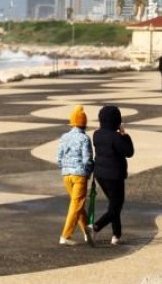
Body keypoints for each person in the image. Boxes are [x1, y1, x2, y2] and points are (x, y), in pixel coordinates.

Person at [89, 105, 134, 246]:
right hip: (115, 175)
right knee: (116, 207)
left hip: (100, 175)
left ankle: (116, 235)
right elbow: (129, 152)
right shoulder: (116, 137)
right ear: (117, 121)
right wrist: (125, 135)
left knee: (113, 205)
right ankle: (95, 227)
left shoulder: (97, 134)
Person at [56, 105, 94, 246]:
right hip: (79, 175)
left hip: (66, 175)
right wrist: (88, 172)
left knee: (77, 205)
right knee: (76, 205)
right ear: (84, 124)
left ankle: (87, 232)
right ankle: (65, 235)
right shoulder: (84, 139)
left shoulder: (64, 137)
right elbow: (87, 160)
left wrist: (65, 168)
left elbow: (58, 158)